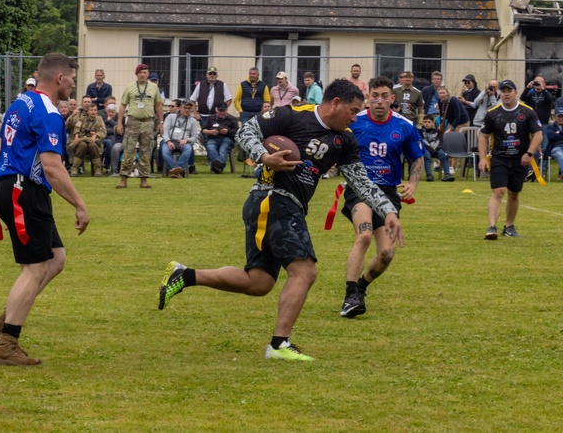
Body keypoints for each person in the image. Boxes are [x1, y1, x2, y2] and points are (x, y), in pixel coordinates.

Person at [158, 79, 403, 361]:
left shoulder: (344, 139)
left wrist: (389, 211)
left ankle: (185, 275)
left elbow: (361, 182)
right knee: (305, 272)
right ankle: (279, 344)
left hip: (283, 206)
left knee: (259, 282)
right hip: (273, 198)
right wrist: (265, 157)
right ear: (336, 103)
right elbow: (246, 131)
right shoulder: (292, 114)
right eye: (353, 110)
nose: (355, 116)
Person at [0, 53, 90, 366]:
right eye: (72, 77)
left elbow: (1, 149)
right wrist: (80, 204)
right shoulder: (49, 112)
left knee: (55, 259)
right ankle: (6, 345)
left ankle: (3, 322)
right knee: (34, 269)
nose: (74, 83)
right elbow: (52, 167)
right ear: (59, 78)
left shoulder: (21, 102)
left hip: (15, 187)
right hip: (24, 190)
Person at [337, 76, 422, 318]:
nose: (379, 101)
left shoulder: (404, 126)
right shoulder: (355, 122)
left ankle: (361, 287)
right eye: (375, 96)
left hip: (387, 193)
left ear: (392, 99)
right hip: (360, 189)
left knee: (387, 254)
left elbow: (417, 157)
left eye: (385, 96)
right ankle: (350, 295)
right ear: (368, 98)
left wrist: (413, 184)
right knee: (363, 236)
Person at [478, 79, 543, 239]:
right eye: (503, 91)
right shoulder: (493, 113)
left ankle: (509, 226)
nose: (506, 94)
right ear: (500, 93)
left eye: (509, 91)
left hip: (520, 159)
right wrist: (482, 158)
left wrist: (529, 154)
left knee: (514, 193)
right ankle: (492, 227)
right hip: (499, 157)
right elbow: (483, 135)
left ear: (515, 92)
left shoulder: (527, 112)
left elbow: (538, 134)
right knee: (498, 192)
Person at [116, 63, 164, 189]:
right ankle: (123, 179)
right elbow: (122, 105)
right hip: (133, 122)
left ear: (148, 74)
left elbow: (158, 105)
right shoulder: (130, 87)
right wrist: (119, 122)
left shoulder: (154, 88)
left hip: (148, 122)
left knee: (146, 151)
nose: (142, 75)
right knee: (128, 151)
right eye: (140, 73)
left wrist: (161, 122)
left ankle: (144, 179)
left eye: (145, 73)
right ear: (136, 74)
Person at [161, 99, 199, 177]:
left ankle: (176, 170)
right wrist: (168, 141)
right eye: (185, 108)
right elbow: (165, 131)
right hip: (170, 140)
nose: (187, 110)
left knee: (188, 149)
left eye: (189, 108)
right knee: (165, 151)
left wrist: (186, 140)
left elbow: (195, 137)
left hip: (183, 142)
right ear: (180, 108)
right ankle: (178, 172)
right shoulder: (170, 117)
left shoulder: (193, 121)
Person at [70, 103, 106, 177]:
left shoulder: (99, 119)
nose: (93, 112)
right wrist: (76, 135)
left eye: (95, 110)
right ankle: (74, 168)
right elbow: (77, 127)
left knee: (93, 145)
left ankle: (98, 169)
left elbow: (103, 131)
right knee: (83, 145)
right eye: (91, 110)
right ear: (88, 111)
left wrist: (95, 135)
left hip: (94, 141)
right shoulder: (82, 119)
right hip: (81, 140)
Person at [202, 103, 239, 173]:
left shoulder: (232, 119)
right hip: (213, 138)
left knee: (223, 149)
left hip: (227, 138)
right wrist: (211, 132)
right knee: (210, 147)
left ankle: (216, 166)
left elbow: (237, 132)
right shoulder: (211, 118)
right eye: (220, 111)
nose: (222, 113)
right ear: (216, 110)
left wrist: (227, 131)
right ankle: (219, 166)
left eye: (223, 111)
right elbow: (203, 130)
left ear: (226, 110)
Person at [419, 114, 453, 182]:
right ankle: (429, 175)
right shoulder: (419, 131)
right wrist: (432, 150)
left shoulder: (438, 131)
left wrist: (435, 149)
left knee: (443, 155)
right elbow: (422, 142)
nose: (427, 124)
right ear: (422, 122)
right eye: (425, 122)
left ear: (432, 123)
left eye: (429, 122)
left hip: (436, 149)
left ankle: (447, 174)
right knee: (427, 156)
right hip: (425, 149)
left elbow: (440, 142)